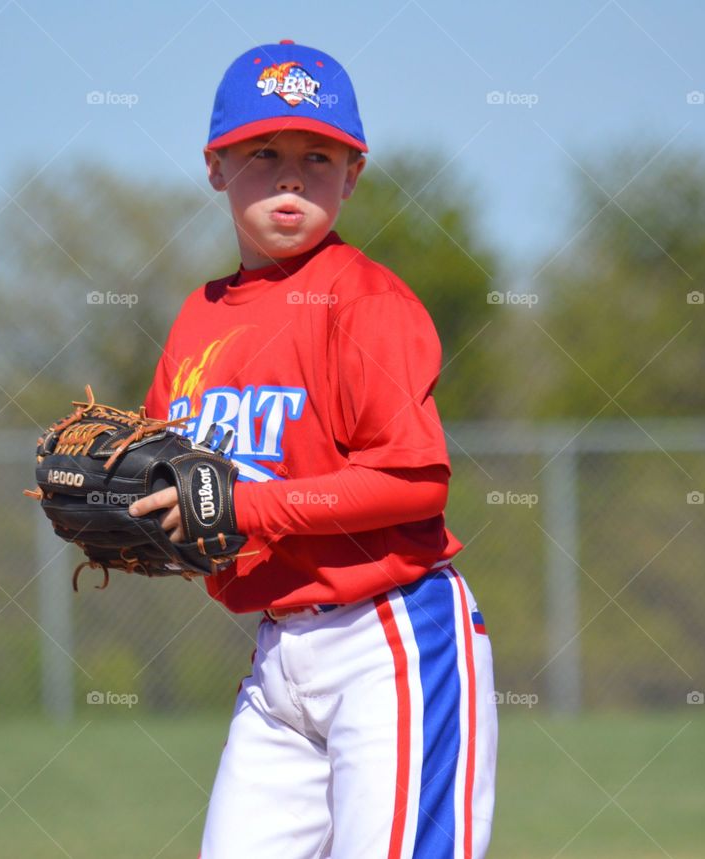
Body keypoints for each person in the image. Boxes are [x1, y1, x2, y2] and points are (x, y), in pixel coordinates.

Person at [130, 39, 497, 859]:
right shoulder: (198, 320)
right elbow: (180, 487)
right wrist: (138, 520)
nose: (291, 175)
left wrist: (245, 506)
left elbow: (414, 483)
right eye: (264, 152)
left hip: (391, 641)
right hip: (277, 659)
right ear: (216, 166)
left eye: (317, 155)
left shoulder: (364, 302)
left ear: (353, 173)